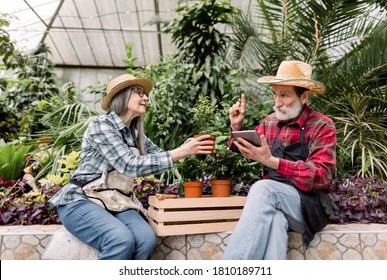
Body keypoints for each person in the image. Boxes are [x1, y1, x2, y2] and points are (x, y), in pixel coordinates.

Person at [48, 74, 215, 260]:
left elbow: (159, 158)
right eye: (139, 93)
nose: (145, 98)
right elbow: (129, 165)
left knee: (146, 240)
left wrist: (189, 149)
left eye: (145, 94)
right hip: (82, 200)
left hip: (117, 202)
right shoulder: (101, 125)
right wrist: (180, 152)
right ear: (121, 96)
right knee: (119, 240)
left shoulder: (135, 133)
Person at [222, 60, 337, 260]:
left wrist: (273, 162)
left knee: (263, 188)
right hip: (276, 201)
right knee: (274, 221)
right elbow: (241, 146)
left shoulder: (322, 125)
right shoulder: (270, 122)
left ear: (304, 96)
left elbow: (321, 176)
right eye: (275, 94)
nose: (277, 102)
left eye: (284, 95)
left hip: (310, 207)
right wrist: (237, 128)